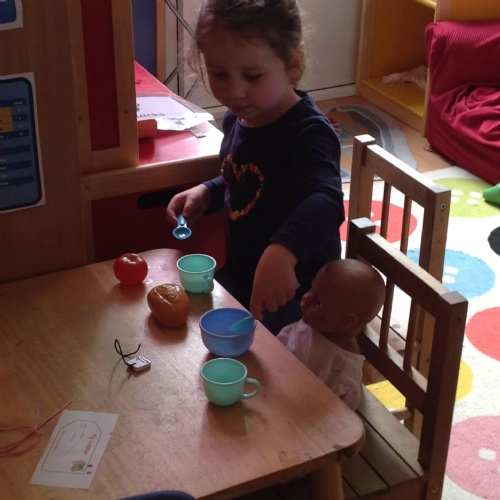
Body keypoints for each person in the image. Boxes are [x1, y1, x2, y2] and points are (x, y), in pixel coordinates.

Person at [166, 0, 344, 334]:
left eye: (252, 76)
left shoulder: (309, 133)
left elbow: (327, 200)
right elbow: (246, 180)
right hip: (242, 276)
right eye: (219, 73)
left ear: (292, 65)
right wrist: (207, 192)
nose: (234, 91)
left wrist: (284, 252)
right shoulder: (238, 118)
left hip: (301, 298)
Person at [277, 259, 386, 410]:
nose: (305, 299)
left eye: (318, 302)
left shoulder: (342, 377)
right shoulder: (316, 324)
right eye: (311, 290)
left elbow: (337, 420)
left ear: (346, 322)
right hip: (279, 387)